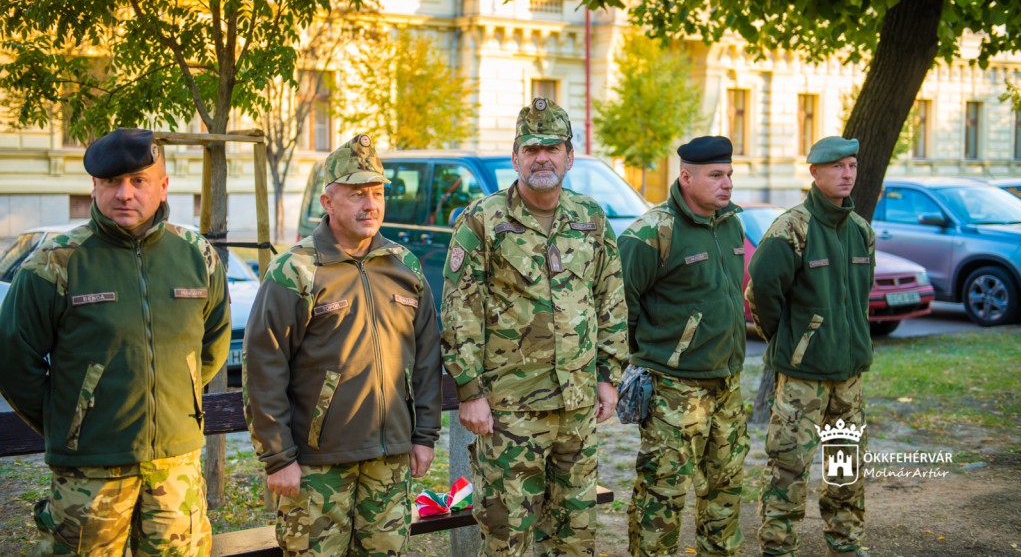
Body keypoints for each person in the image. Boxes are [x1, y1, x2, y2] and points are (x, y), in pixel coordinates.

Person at [0, 128, 231, 555]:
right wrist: (72, 420)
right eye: (111, 182)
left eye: (139, 181)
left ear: (163, 186)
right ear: (94, 186)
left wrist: (177, 396)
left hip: (175, 467)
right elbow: (13, 359)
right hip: (89, 473)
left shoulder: (196, 256)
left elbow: (214, 341)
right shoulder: (56, 262)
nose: (125, 194)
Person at [440, 97, 629, 557]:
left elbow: (610, 299)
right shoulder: (483, 221)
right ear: (515, 158)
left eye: (552, 147)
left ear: (569, 156)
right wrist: (469, 391)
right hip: (510, 411)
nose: (542, 157)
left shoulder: (590, 219)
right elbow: (460, 310)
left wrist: (609, 376)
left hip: (577, 409)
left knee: (576, 537)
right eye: (531, 148)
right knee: (507, 538)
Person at [244, 133, 441, 556]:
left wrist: (424, 435)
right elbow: (263, 368)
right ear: (328, 202)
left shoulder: (403, 265)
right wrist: (278, 458)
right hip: (317, 467)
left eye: (376, 193)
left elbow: (427, 356)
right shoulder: (295, 270)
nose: (370, 204)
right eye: (356, 194)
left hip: (390, 460)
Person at [618, 136, 749, 557]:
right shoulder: (651, 232)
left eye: (729, 174)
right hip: (673, 390)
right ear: (686, 178)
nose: (727, 183)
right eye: (716, 175)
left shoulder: (731, 223)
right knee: (663, 497)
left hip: (726, 384)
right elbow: (619, 309)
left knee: (725, 490)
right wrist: (653, 356)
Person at [745, 136, 875, 557]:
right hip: (803, 380)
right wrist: (790, 342)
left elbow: (860, 297)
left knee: (845, 465)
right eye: (837, 167)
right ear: (815, 173)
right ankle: (778, 547)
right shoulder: (792, 228)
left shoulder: (860, 230)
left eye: (852, 165)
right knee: (789, 466)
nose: (847, 174)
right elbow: (760, 293)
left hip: (848, 377)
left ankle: (845, 541)